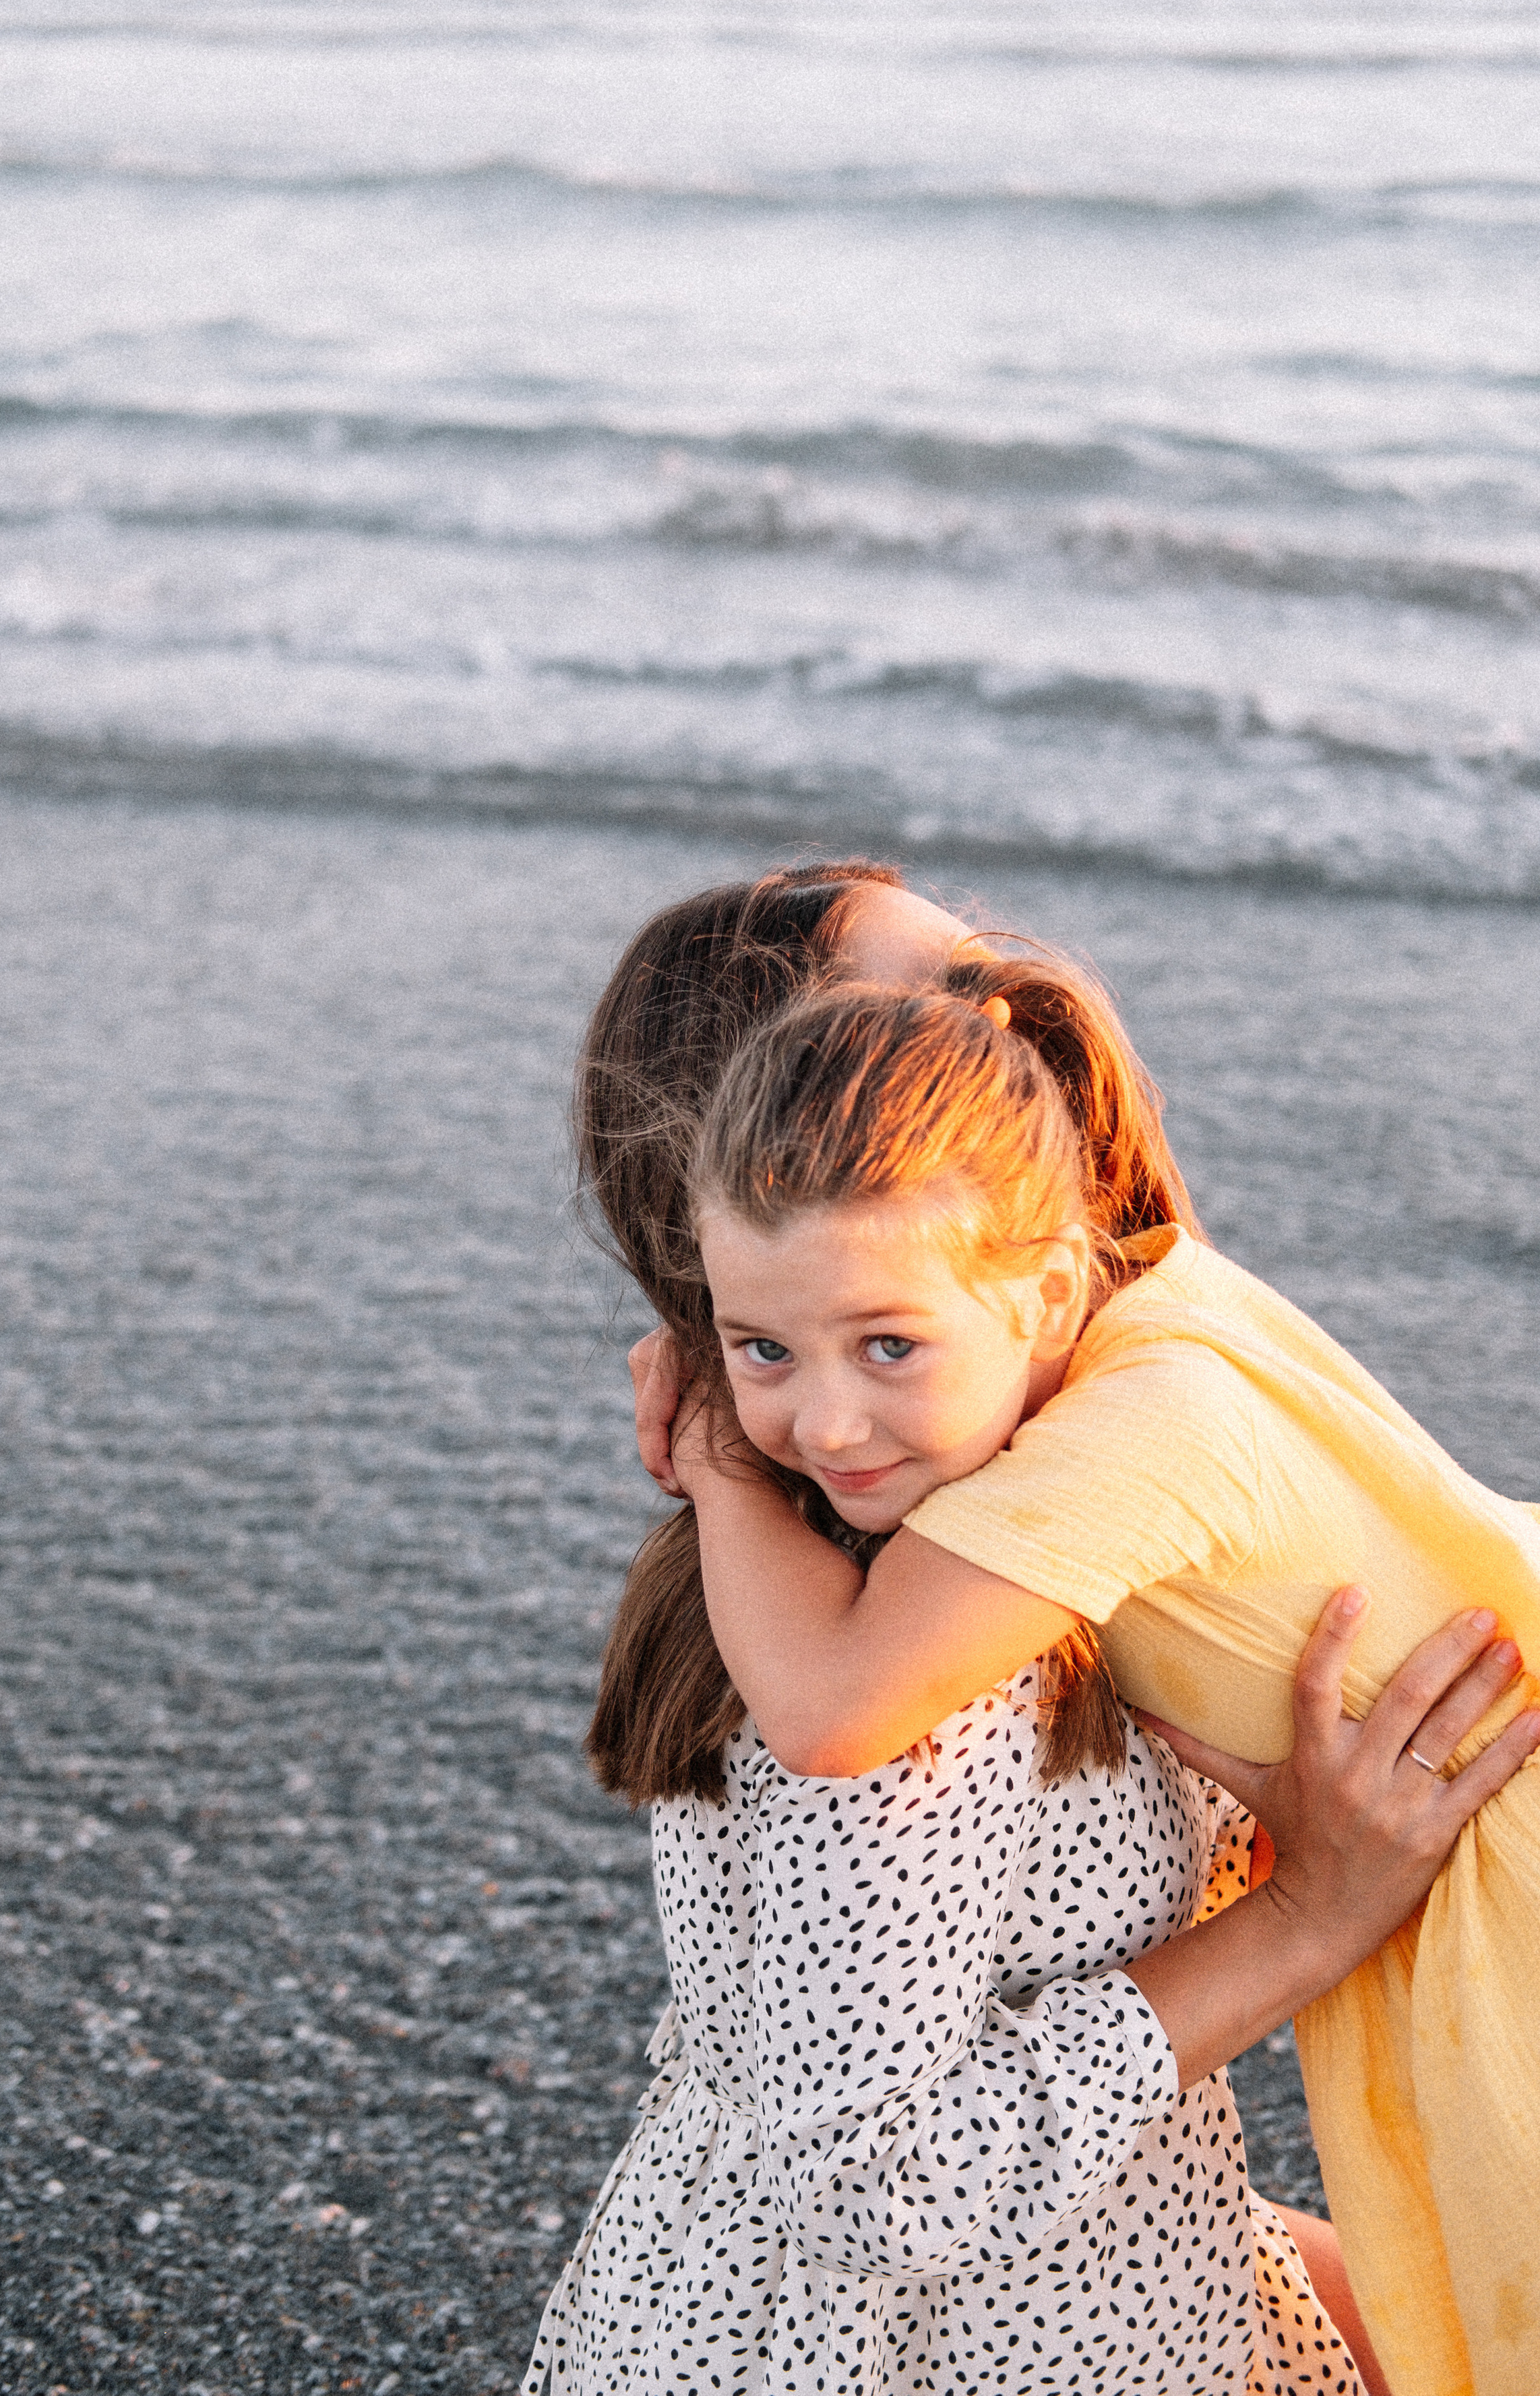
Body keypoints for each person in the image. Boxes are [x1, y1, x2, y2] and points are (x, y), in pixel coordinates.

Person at [526, 864, 1522, 2396]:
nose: (1028, 1033)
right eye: (930, 1020)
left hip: (1081, 2259)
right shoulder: (921, 1672)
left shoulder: (1037, 1516)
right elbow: (878, 2182)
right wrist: (1306, 1918)